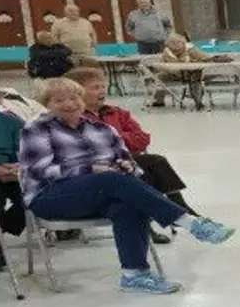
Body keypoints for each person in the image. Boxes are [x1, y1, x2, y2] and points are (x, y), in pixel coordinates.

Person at [19, 78, 236, 294]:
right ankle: (189, 222)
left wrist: (127, 167)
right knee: (111, 180)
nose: (68, 104)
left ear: (82, 100)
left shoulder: (103, 129)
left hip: (99, 191)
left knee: (128, 204)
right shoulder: (37, 129)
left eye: (73, 98)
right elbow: (39, 170)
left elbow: (129, 161)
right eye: (58, 100)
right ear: (46, 104)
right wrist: (90, 170)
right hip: (49, 195)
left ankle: (134, 275)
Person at [64, 66, 202, 244]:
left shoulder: (117, 112)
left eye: (103, 86)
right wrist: (117, 140)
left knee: (149, 165)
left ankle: (172, 212)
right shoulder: (75, 118)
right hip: (97, 168)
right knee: (145, 166)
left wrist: (114, 138)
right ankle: (174, 213)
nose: (102, 91)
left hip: (126, 160)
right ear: (78, 93)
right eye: (95, 87)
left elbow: (143, 139)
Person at [0, 101, 24, 270]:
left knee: (36, 196)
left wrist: (19, 167)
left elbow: (27, 152)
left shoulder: (11, 123)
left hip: (10, 172)